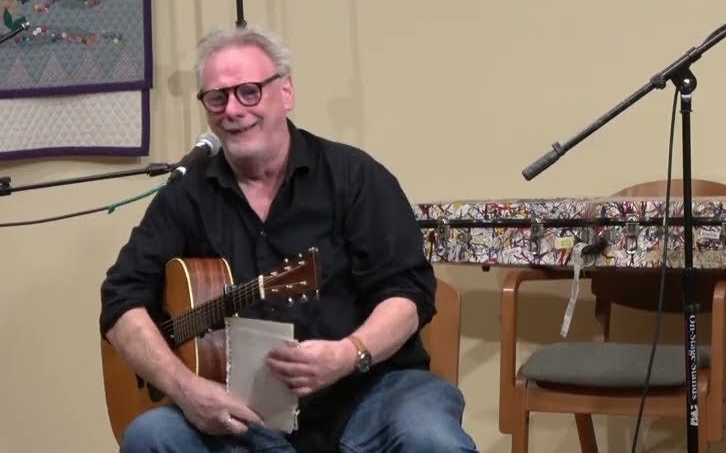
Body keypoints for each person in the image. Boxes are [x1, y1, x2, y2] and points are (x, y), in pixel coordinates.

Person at [100, 24, 478, 453]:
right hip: (243, 419)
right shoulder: (186, 195)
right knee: (150, 435)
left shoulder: (353, 177)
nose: (232, 110)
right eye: (217, 98)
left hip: (370, 394)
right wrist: (185, 388)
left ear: (286, 92)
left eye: (249, 92)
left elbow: (408, 292)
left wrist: (348, 354)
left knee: (431, 437)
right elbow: (120, 300)